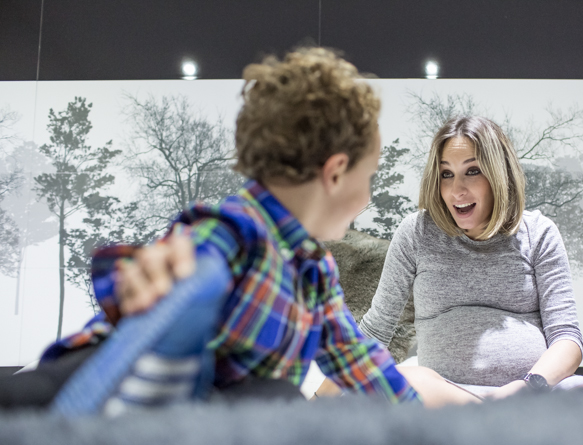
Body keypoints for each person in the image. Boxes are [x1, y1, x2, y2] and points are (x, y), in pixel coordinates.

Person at [0, 47, 420, 411]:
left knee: (276, 396)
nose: (368, 195)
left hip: (211, 408)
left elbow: (356, 358)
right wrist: (156, 281)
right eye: (370, 176)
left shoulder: (314, 272)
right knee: (45, 391)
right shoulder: (234, 229)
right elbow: (179, 269)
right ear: (336, 172)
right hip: (116, 373)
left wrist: (419, 417)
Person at [318, 116, 583, 407]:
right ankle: (486, 414)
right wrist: (314, 402)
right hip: (446, 395)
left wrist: (527, 387)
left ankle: (491, 415)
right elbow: (375, 331)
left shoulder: (539, 232)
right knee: (403, 379)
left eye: (472, 171)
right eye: (446, 174)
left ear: (499, 174)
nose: (457, 190)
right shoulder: (416, 232)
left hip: (530, 394)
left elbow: (566, 338)